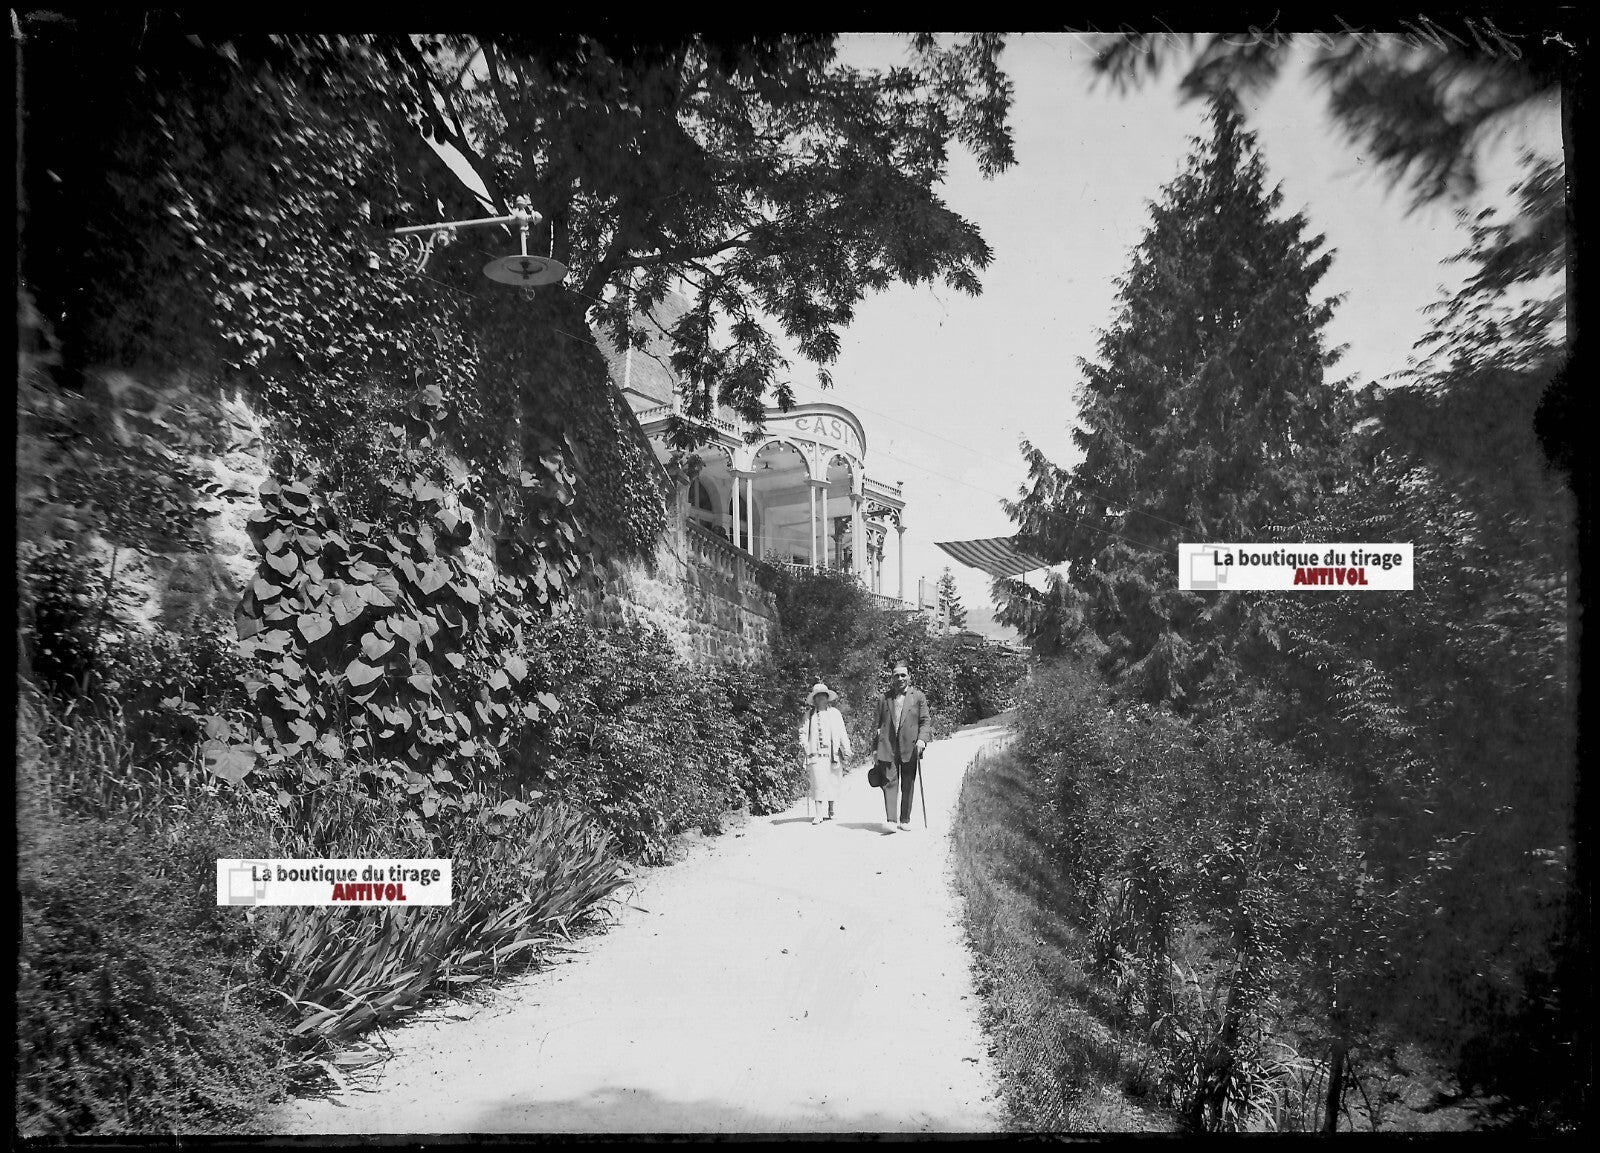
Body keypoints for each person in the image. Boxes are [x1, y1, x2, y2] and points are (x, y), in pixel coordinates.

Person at [873, 663, 930, 832]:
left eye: (903, 675)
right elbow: (876, 725)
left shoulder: (918, 697)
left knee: (908, 782)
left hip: (910, 746)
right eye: (896, 676)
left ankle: (905, 819)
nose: (900, 679)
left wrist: (922, 740)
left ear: (909, 677)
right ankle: (891, 820)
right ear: (891, 678)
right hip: (888, 746)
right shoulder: (884, 698)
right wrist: (875, 749)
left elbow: (925, 721)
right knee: (889, 782)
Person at [799, 682, 852, 825]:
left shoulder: (834, 713)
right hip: (815, 754)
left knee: (832, 781)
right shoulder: (809, 715)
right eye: (818, 696)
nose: (821, 698)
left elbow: (842, 732)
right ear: (814, 699)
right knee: (818, 782)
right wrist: (804, 744)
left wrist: (847, 748)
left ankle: (831, 809)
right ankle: (818, 813)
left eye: (823, 695)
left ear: (827, 697)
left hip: (832, 753)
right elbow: (803, 733)